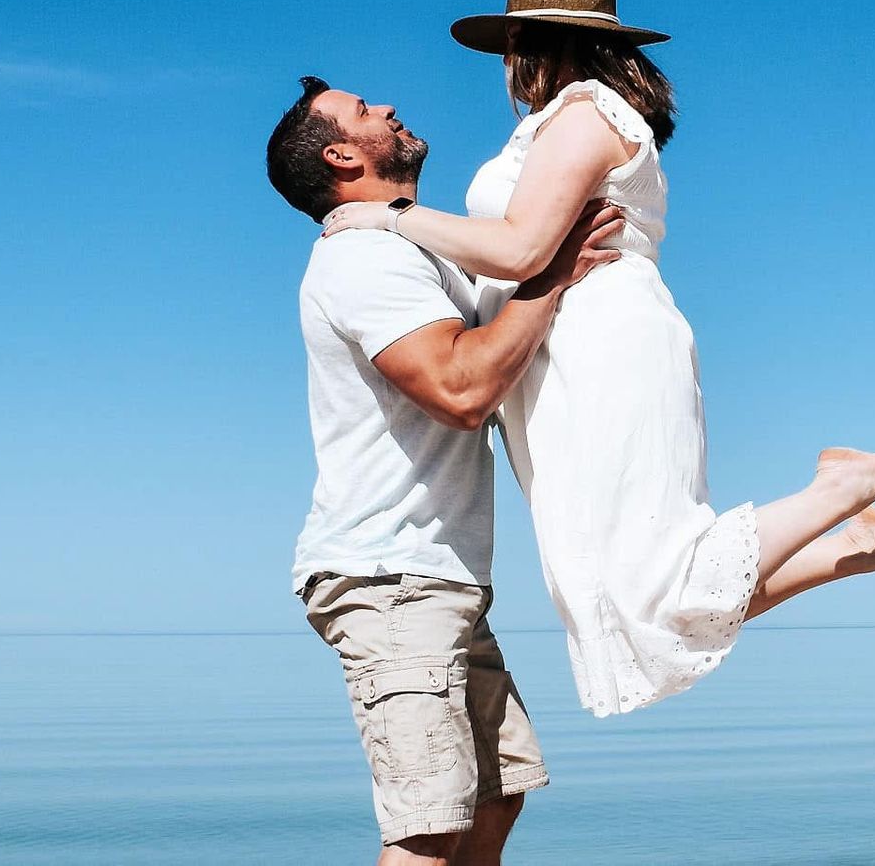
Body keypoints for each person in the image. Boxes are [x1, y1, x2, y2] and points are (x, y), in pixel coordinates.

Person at [321, 0, 875, 718]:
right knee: (620, 596)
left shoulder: (587, 113)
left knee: (649, 582)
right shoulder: (556, 124)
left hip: (601, 344)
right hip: (558, 360)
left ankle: (839, 490)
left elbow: (522, 250)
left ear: (527, 44)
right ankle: (853, 543)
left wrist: (386, 215)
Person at [266, 75, 624, 866]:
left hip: (437, 577)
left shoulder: (411, 248)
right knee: (428, 826)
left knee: (495, 799)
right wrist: (553, 278)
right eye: (364, 113)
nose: (388, 107)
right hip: (386, 577)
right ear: (339, 154)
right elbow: (460, 389)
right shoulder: (363, 258)